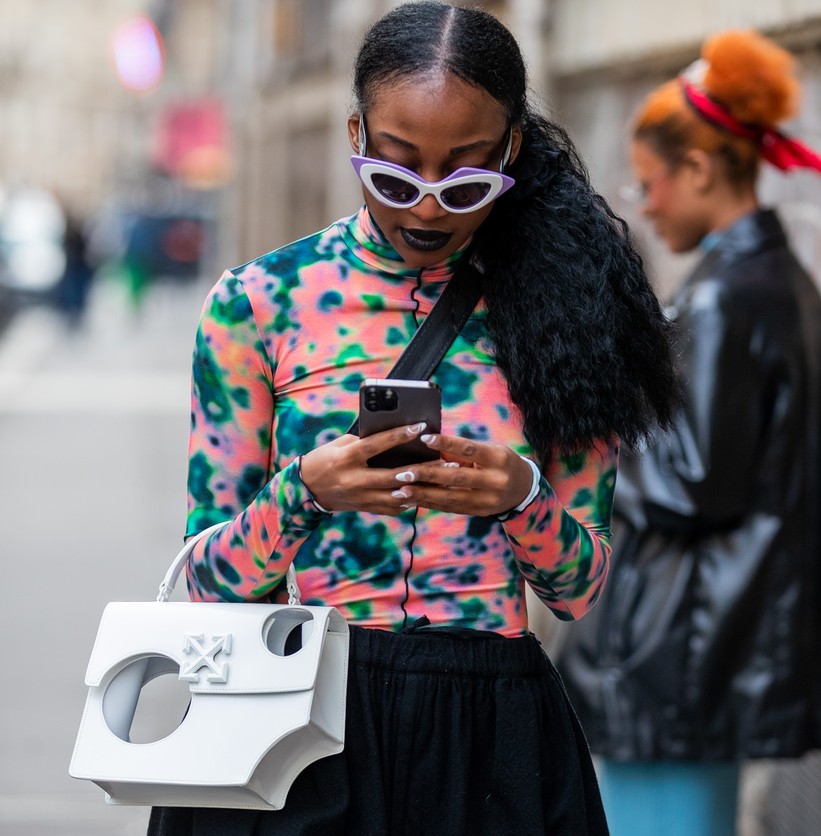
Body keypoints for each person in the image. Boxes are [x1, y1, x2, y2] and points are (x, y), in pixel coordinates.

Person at [147, 3, 679, 835]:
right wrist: (305, 495)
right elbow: (208, 581)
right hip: (296, 718)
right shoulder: (258, 305)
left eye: (466, 182)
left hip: (489, 733)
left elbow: (580, 590)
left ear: (510, 150)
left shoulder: (570, 313)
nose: (428, 212)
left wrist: (520, 498)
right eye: (396, 177)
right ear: (355, 134)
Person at [555, 29, 821, 836]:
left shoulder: (728, 297)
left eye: (651, 182)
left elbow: (695, 477)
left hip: (675, 657)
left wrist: (592, 424)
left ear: (696, 171)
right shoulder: (769, 280)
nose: (644, 203)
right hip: (698, 647)